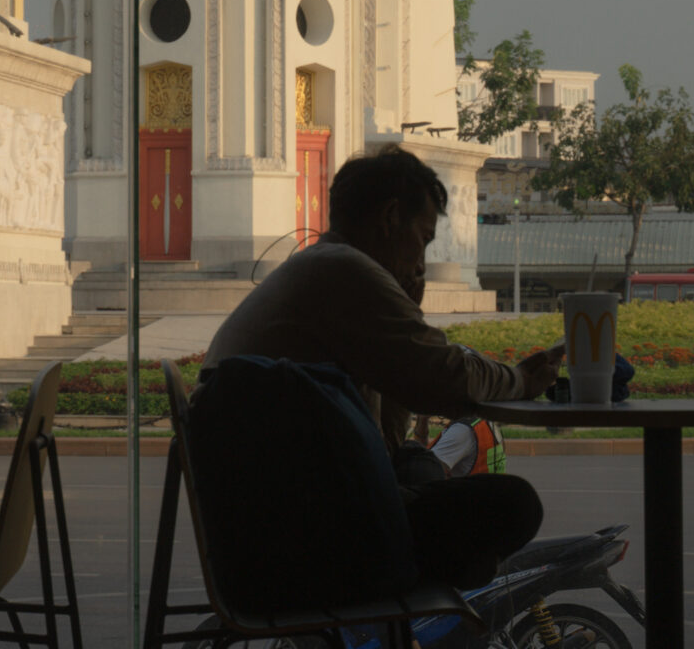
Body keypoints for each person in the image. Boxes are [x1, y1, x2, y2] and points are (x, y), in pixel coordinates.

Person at [206, 145, 556, 590]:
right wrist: (521, 380)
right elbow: (444, 379)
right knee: (515, 504)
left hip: (271, 522)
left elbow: (386, 440)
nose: (421, 263)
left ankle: (398, 626)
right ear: (391, 218)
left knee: (415, 463)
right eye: (423, 239)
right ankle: (397, 618)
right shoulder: (347, 273)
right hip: (304, 538)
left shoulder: (322, 267)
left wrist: (406, 312)